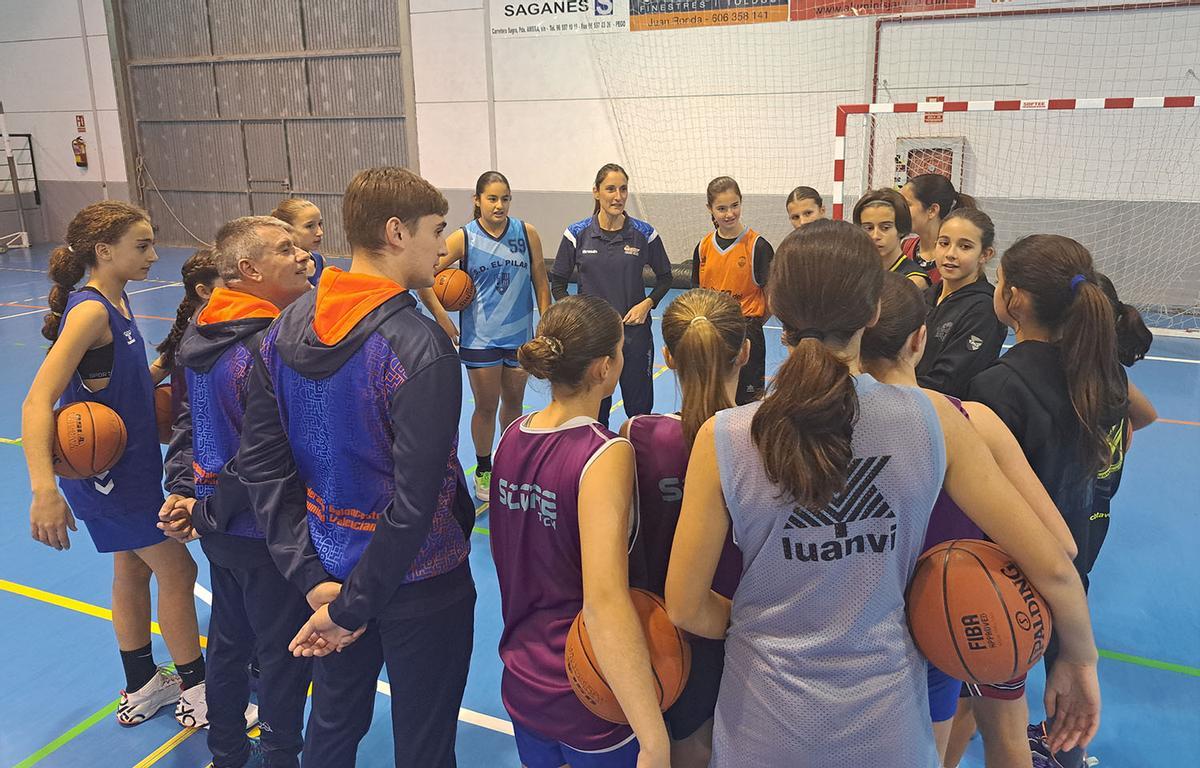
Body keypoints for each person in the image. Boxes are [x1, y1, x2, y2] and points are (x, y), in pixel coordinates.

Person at [664, 220, 1100, 767]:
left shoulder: (722, 437)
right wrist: (1079, 660)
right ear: (872, 313)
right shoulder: (933, 418)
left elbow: (683, 605)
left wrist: (762, 622)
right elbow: (1056, 563)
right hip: (887, 724)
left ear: (774, 310)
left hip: (764, 723)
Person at [238, 168, 477, 767]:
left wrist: (314, 581)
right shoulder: (421, 350)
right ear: (397, 232)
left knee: (333, 729)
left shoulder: (285, 327)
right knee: (424, 744)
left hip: (326, 574)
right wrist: (351, 608)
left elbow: (263, 468)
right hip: (420, 584)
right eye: (437, 230)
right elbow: (418, 502)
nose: (445, 246)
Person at [860, 272, 1078, 764]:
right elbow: (1061, 547)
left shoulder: (829, 428)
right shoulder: (972, 419)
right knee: (1002, 737)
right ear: (921, 339)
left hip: (872, 636)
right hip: (974, 617)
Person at [22, 201, 205, 727]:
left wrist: (166, 368)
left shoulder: (116, 302)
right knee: (178, 567)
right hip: (109, 476)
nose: (153, 254)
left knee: (130, 565)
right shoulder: (91, 311)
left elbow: (114, 385)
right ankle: (197, 691)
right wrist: (43, 490)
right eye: (142, 245)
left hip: (131, 466)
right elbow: (38, 401)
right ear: (104, 251)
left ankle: (142, 683)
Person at [158, 216, 314, 767]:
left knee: (228, 643)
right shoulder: (267, 345)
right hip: (263, 528)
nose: (303, 255)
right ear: (248, 270)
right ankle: (278, 756)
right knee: (283, 656)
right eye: (285, 248)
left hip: (220, 527)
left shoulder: (201, 330)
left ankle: (226, 751)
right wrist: (202, 510)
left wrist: (182, 494)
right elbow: (259, 457)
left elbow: (185, 424)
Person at [969, 235, 1129, 768]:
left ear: (1012, 299)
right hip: (1072, 558)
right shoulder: (1105, 374)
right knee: (1053, 691)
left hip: (1002, 576)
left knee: (990, 705)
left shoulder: (998, 386)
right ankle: (1068, 752)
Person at [490, 295, 669, 768]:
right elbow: (604, 603)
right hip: (587, 689)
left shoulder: (512, 435)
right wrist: (653, 738)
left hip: (523, 680)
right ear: (604, 368)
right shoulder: (604, 454)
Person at [623, 288, 747, 767]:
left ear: (668, 357)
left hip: (665, 640)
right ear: (747, 352)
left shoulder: (637, 436)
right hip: (747, 635)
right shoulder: (765, 438)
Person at [427, 171, 551, 501]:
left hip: (520, 335)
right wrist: (442, 316)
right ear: (477, 200)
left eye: (505, 198)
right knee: (486, 406)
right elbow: (425, 274)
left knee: (514, 403)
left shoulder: (526, 233)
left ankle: (511, 463)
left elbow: (540, 276)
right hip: (480, 338)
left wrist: (546, 316)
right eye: (492, 198)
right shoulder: (463, 238)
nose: (499, 205)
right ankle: (484, 468)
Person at [550, 163, 674, 428]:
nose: (617, 196)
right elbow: (558, 283)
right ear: (596, 192)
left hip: (635, 337)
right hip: (592, 340)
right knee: (595, 413)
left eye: (623, 189)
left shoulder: (644, 234)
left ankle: (638, 464)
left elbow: (666, 278)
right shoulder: (576, 234)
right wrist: (577, 317)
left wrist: (647, 303)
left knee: (639, 412)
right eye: (610, 189)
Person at [691, 176, 774, 404]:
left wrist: (752, 324)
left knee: (747, 401)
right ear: (710, 209)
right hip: (711, 332)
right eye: (722, 208)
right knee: (712, 399)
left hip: (747, 331)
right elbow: (697, 295)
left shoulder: (758, 246)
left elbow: (771, 299)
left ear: (741, 202)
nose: (729, 214)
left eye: (734, 205)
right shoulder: (703, 247)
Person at [915, 208, 1007, 399]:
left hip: (946, 416)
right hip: (911, 403)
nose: (950, 254)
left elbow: (947, 384)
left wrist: (892, 388)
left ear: (985, 254)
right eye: (944, 243)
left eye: (964, 247)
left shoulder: (984, 311)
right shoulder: (926, 296)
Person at [153, 249, 221, 424]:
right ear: (204, 291)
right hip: (198, 437)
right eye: (230, 283)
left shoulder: (185, 330)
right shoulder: (202, 337)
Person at [900, 173, 977, 283]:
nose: (899, 210)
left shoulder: (953, 258)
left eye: (906, 204)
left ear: (932, 210)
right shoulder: (904, 246)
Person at [853, 188, 931, 288]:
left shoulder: (913, 281)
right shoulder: (858, 272)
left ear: (900, 228)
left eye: (885, 228)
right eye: (869, 228)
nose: (875, 236)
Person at [271, 198, 325, 285]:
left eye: (320, 224)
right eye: (310, 226)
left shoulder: (319, 261)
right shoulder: (276, 267)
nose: (320, 232)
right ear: (286, 229)